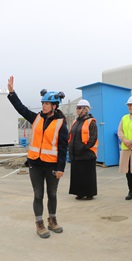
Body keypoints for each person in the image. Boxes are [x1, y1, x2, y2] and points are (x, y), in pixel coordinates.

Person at [7, 76, 68, 239]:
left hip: (52, 166)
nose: (43, 105)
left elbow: (63, 149)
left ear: (54, 106)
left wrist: (61, 168)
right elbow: (21, 109)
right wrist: (12, 93)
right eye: (42, 103)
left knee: (53, 194)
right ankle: (39, 223)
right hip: (35, 164)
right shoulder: (36, 118)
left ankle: (52, 221)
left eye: (46, 103)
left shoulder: (61, 124)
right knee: (38, 195)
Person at [68, 99, 98, 200]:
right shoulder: (76, 122)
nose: (77, 110)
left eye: (79, 108)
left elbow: (93, 137)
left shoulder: (91, 122)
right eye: (77, 108)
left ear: (86, 109)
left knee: (87, 175)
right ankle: (79, 193)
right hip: (76, 154)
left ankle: (89, 193)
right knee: (77, 175)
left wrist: (85, 148)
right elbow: (71, 135)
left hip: (87, 154)